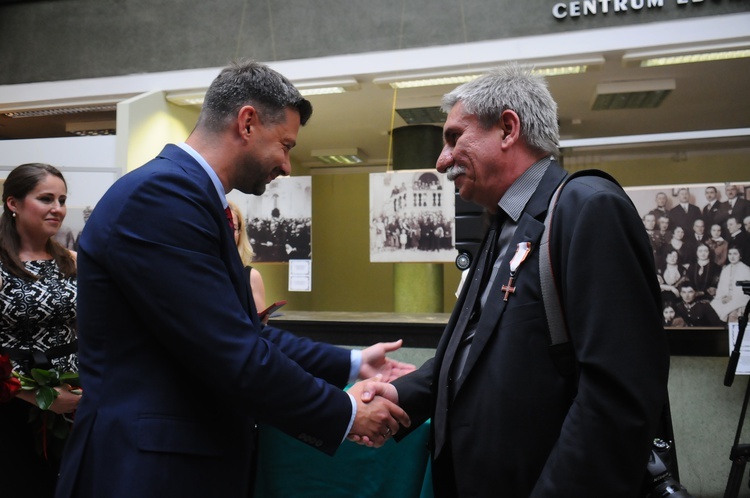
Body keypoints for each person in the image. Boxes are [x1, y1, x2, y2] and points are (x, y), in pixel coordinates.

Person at [54, 60, 413, 498]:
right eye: (284, 145)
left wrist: (354, 363)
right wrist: (343, 410)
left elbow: (240, 332)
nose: (286, 165)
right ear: (247, 123)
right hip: (146, 470)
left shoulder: (187, 194)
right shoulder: (162, 197)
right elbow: (229, 350)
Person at [355, 64, 669, 496]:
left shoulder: (588, 208)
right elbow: (472, 355)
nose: (442, 160)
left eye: (453, 138)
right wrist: (395, 397)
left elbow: (616, 396)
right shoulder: (504, 224)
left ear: (507, 129)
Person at [0, 163, 81, 498]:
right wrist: (37, 396)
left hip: (75, 403)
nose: (57, 209)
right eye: (46, 198)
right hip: (10, 407)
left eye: (62, 200)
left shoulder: (75, 261)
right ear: (13, 203)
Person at [228, 200, 266, 314]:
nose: (228, 233)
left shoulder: (252, 276)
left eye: (233, 228)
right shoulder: (202, 271)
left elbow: (260, 326)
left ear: (240, 232)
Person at [711, 246, 750, 323]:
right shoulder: (725, 269)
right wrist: (722, 297)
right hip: (725, 297)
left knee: (728, 310)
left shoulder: (746, 270)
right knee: (712, 306)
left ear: (740, 256)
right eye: (730, 254)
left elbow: (746, 291)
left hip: (740, 299)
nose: (732, 256)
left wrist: (732, 298)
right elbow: (720, 287)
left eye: (735, 254)